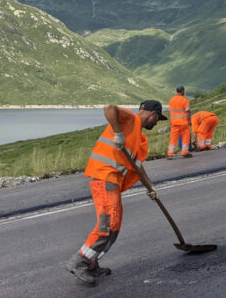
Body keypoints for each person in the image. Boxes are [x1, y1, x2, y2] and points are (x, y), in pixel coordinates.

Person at [66, 101, 167, 285]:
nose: (157, 123)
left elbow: (137, 166)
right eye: (158, 119)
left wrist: (151, 188)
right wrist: (118, 133)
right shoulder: (132, 119)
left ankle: (91, 262)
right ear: (153, 114)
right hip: (104, 176)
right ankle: (78, 262)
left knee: (114, 229)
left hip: (112, 181)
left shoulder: (138, 137)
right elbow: (109, 108)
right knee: (107, 226)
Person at [168, 86, 192, 159]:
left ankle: (170, 154)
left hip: (174, 123)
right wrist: (189, 121)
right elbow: (187, 112)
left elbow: (171, 111)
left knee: (173, 139)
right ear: (182, 91)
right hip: (183, 123)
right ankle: (185, 153)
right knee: (185, 137)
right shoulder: (185, 100)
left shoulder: (171, 100)